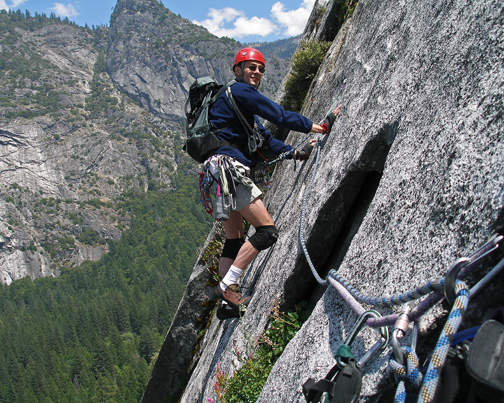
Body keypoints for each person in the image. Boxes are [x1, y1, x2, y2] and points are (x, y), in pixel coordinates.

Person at [202, 47, 341, 311]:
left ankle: (228, 302)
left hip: (216, 177)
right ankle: (226, 286)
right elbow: (278, 115)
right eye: (251, 67)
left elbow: (262, 139)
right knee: (267, 231)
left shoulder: (233, 102)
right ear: (237, 70)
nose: (256, 72)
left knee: (234, 239)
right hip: (229, 171)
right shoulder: (241, 92)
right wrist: (319, 127)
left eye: (260, 69)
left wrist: (293, 153)